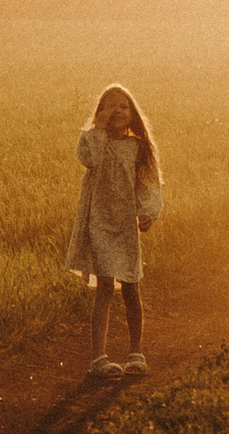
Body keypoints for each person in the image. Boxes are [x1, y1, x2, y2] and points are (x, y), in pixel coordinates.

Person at [69, 84, 163, 379]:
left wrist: (148, 212)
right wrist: (97, 128)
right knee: (106, 287)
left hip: (124, 224)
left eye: (124, 106)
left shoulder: (138, 147)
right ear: (100, 113)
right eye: (110, 106)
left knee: (132, 286)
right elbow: (89, 159)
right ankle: (99, 358)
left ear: (133, 113)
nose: (118, 112)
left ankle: (136, 352)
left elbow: (147, 183)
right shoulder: (93, 142)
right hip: (98, 221)